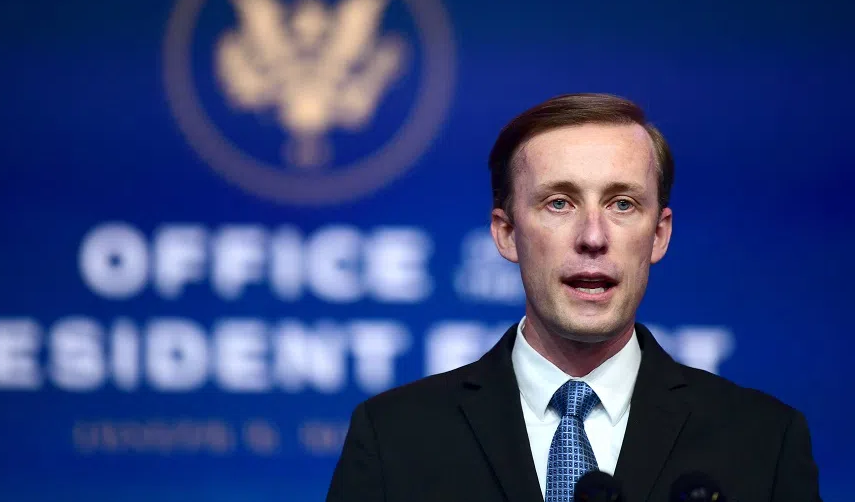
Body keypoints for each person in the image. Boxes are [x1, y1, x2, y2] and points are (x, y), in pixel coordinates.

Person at [325, 93, 821, 502]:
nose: (593, 237)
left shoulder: (764, 442)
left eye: (622, 204)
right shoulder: (394, 438)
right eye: (559, 203)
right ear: (506, 233)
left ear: (659, 235)